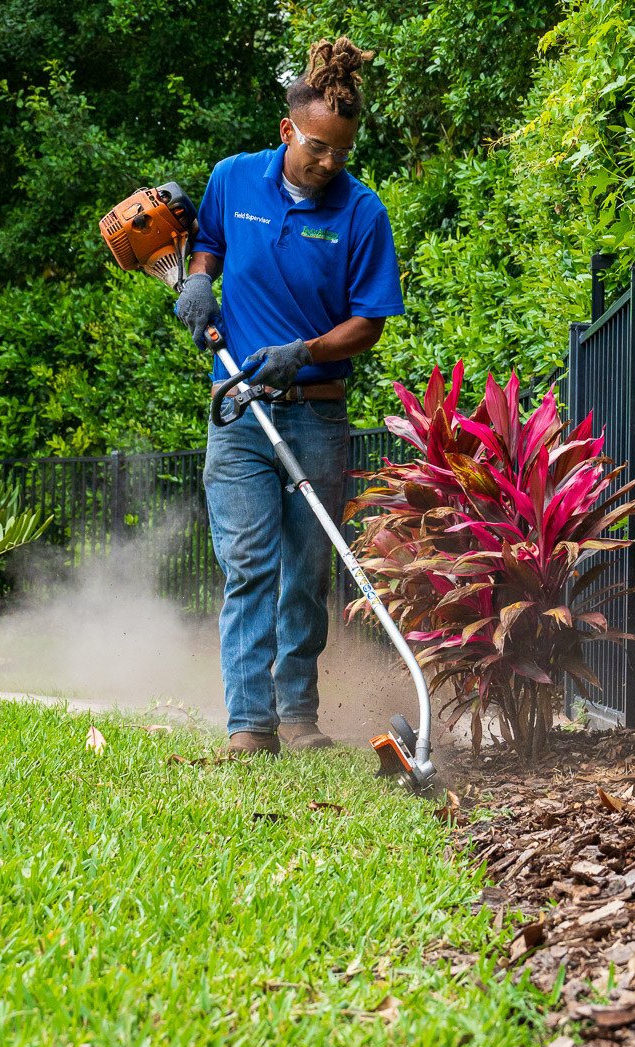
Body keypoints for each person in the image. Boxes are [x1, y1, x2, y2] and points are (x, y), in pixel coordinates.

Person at [177, 38, 404, 755]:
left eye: (341, 151)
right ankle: (251, 724)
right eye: (316, 148)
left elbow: (367, 323)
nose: (329, 163)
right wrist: (197, 279)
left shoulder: (362, 214)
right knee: (249, 565)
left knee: (306, 573)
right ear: (287, 132)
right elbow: (207, 243)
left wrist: (302, 353)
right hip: (239, 411)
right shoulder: (232, 179)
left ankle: (299, 714)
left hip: (316, 414)